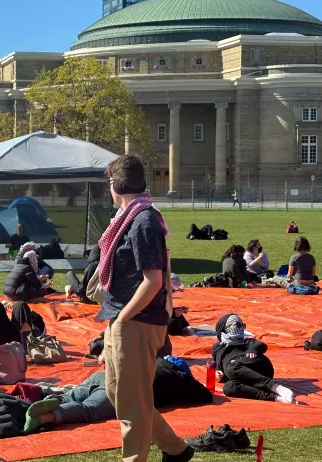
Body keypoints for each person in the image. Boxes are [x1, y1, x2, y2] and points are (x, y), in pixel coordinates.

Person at [95, 154, 193, 462]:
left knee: (132, 405)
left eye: (110, 182)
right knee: (117, 393)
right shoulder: (128, 219)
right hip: (121, 317)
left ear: (119, 184)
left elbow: (153, 280)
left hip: (136, 320)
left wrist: (123, 319)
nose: (109, 189)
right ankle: (176, 448)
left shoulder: (144, 221)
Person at [23, 359, 213, 433]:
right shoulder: (180, 378)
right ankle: (48, 416)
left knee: (74, 393)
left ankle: (57, 400)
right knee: (89, 410)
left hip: (105, 375)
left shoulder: (155, 361)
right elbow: (205, 396)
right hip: (123, 389)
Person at [212, 313, 296, 403]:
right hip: (242, 375)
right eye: (237, 325)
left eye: (242, 325)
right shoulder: (217, 348)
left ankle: (276, 387)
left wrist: (253, 349)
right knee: (229, 388)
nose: (240, 328)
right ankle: (276, 398)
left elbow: (261, 345)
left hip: (258, 366)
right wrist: (219, 374)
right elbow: (220, 366)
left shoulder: (247, 341)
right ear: (225, 329)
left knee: (232, 368)